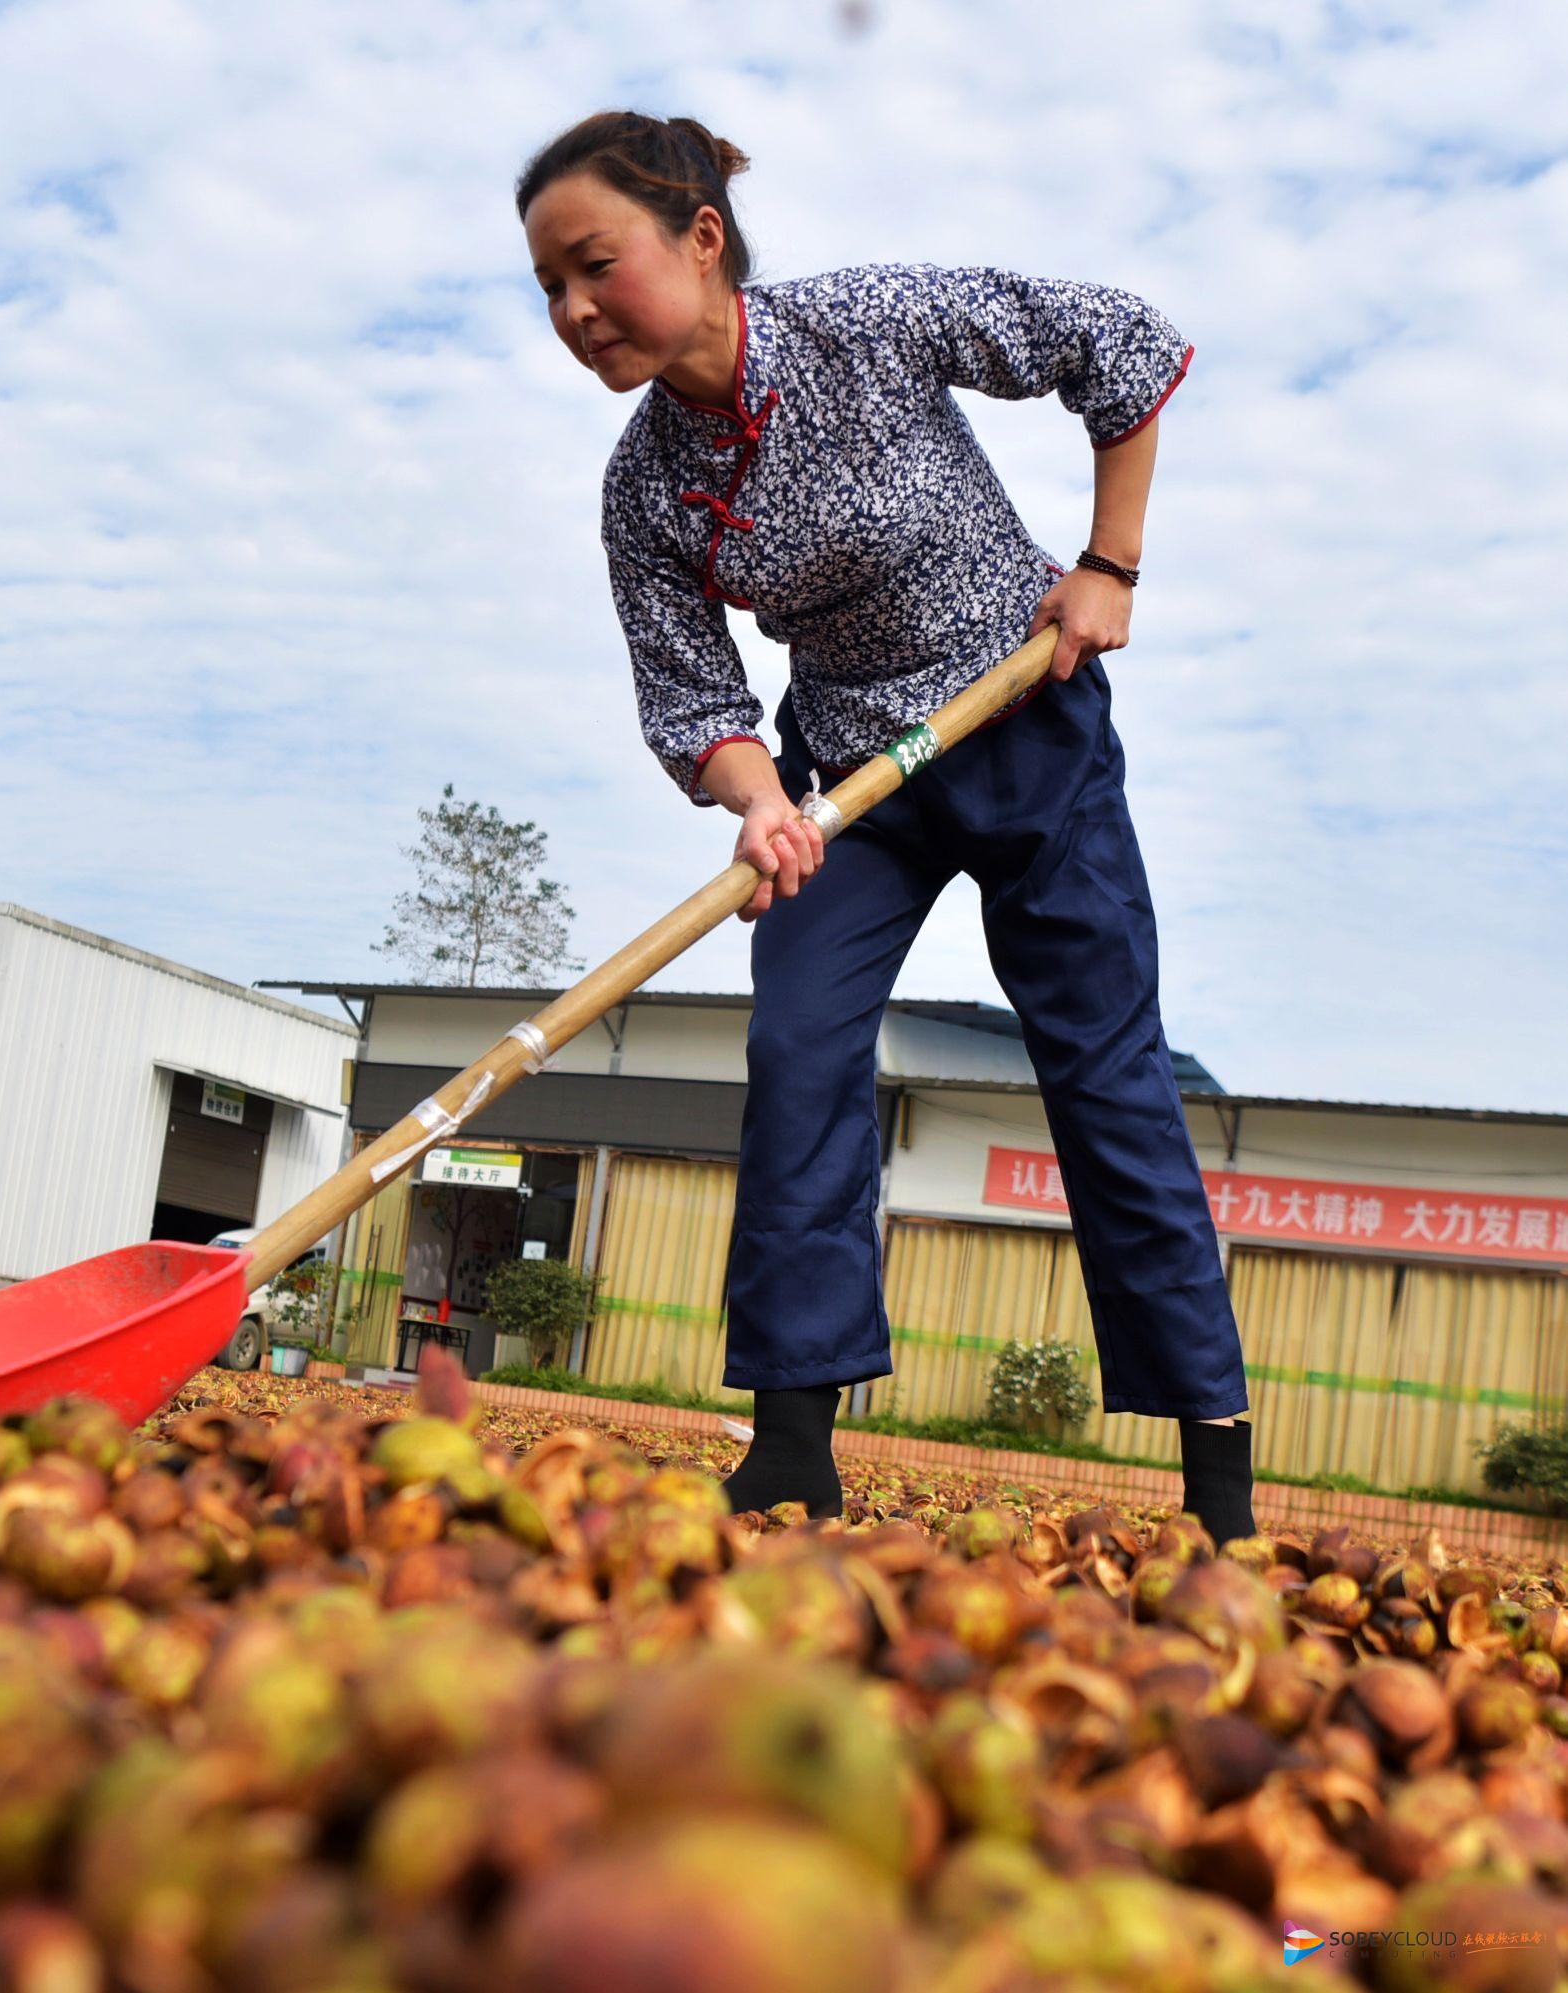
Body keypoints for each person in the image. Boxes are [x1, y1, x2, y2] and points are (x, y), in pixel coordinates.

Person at [519, 111, 1255, 1540]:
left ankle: (1216, 1482)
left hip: (1022, 722)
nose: (572, 311)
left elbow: (1117, 343)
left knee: (1102, 1072)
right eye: (548, 287)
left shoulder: (865, 322)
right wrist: (756, 805)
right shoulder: (643, 488)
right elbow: (691, 692)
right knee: (797, 1046)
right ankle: (791, 1440)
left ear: (701, 241)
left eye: (594, 265)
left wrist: (1108, 561)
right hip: (850, 774)